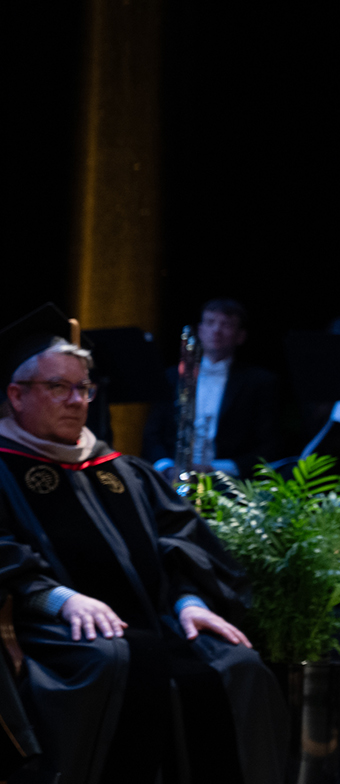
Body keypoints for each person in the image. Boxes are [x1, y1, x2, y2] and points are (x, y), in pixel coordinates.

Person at [0, 304, 284, 784]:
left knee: (239, 663)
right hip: (50, 634)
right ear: (16, 395)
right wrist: (60, 600)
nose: (76, 401)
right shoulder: (5, 469)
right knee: (113, 660)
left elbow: (179, 538)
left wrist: (190, 600)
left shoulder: (122, 471)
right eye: (58, 387)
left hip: (158, 622)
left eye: (83, 388)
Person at [144, 298, 281, 470]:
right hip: (171, 476)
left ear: (240, 336)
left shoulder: (260, 382)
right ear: (200, 330)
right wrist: (166, 467)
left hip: (230, 481)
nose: (216, 330)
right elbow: (153, 434)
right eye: (210, 322)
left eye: (226, 325)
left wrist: (219, 469)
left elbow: (269, 444)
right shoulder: (172, 376)